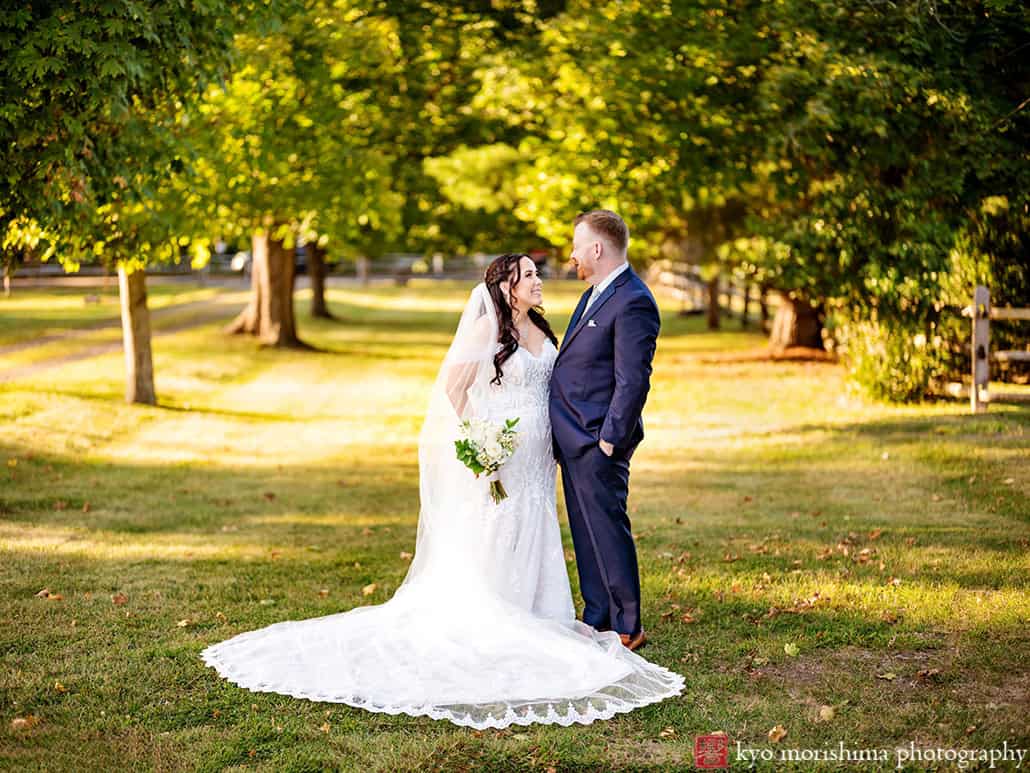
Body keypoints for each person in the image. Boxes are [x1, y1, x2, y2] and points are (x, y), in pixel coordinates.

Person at [200, 252, 683, 730]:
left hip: (539, 459)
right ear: (507, 285)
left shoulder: (542, 326)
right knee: (498, 525)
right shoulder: (486, 328)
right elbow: (454, 390)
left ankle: (538, 611)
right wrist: (483, 439)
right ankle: (497, 612)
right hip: (504, 452)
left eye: (538, 273)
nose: (539, 280)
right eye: (529, 275)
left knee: (533, 525)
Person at [549, 210, 661, 652]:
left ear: (597, 248)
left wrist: (609, 438)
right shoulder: (596, 293)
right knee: (586, 529)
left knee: (608, 528)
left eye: (577, 245)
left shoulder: (633, 299)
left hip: (599, 439)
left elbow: (633, 379)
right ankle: (597, 615)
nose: (573, 255)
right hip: (574, 437)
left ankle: (627, 624)